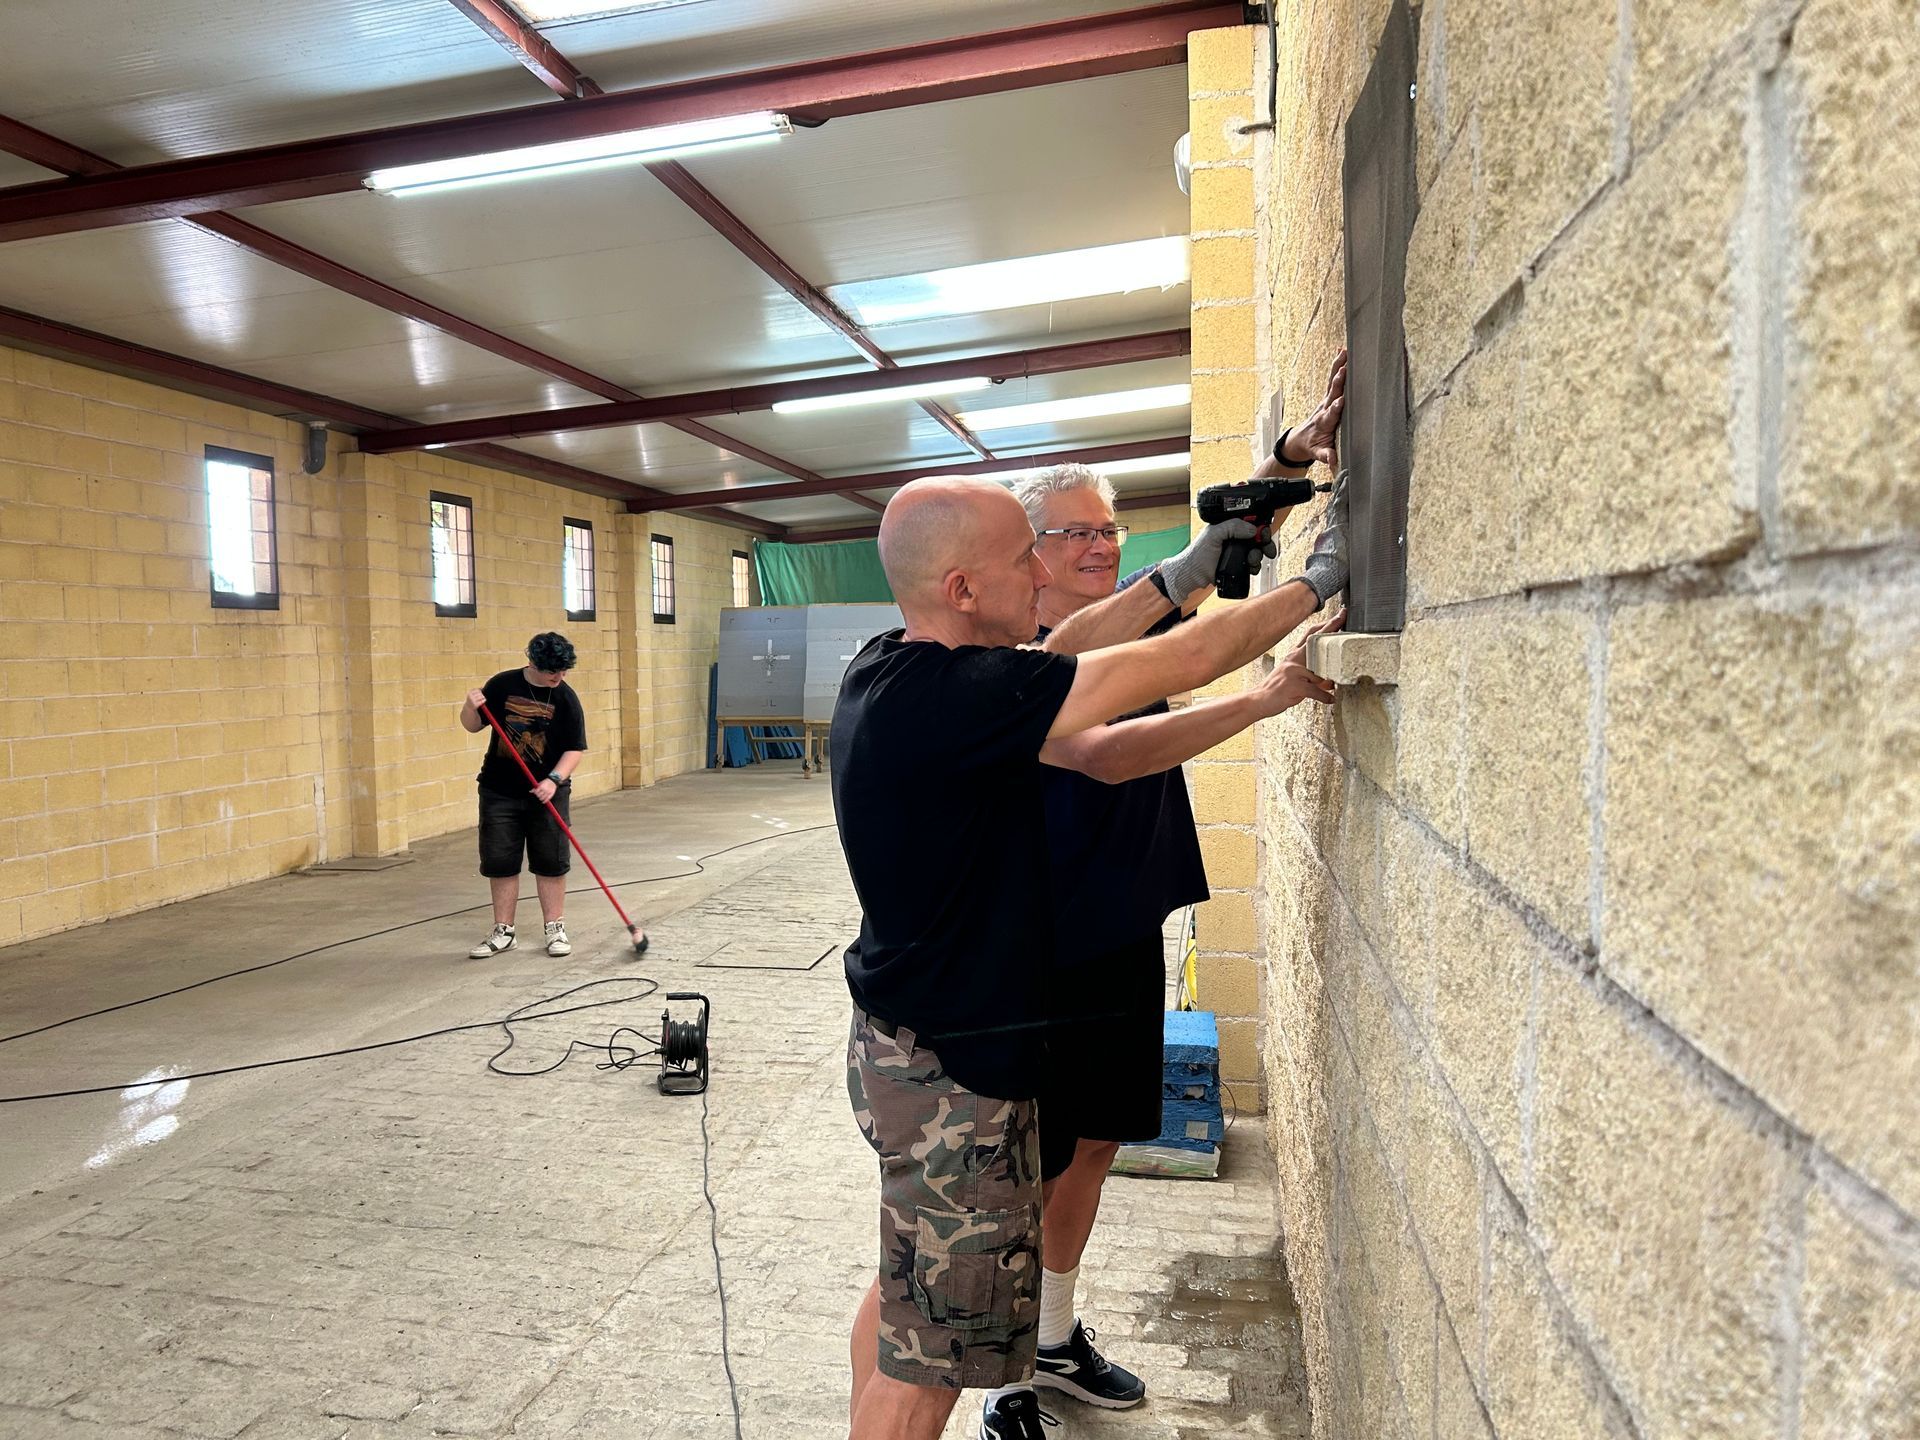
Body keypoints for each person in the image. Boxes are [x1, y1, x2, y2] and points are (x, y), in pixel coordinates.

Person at [833, 466, 1348, 1440]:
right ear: (962, 589)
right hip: (959, 1076)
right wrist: (1321, 576)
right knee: (931, 1367)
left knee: (913, 1312)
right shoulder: (963, 701)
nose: (1042, 572)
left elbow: (1070, 663)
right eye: (1022, 558)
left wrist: (1184, 573)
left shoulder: (894, 667)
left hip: (905, 1044)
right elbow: (1178, 660)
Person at [981, 352, 1348, 1434]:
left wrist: (1291, 455)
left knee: (1097, 1141)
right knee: (1032, 1159)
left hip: (1122, 919)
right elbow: (1111, 746)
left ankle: (1052, 1336)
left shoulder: (1125, 613)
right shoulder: (1016, 655)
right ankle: (1002, 1370)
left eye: (1109, 530)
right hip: (1042, 940)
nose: (1103, 547)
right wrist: (1279, 670)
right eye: (1075, 534)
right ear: (1024, 555)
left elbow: (1214, 548)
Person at [458, 631, 589, 960]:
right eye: (552, 672)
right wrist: (470, 706)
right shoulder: (502, 685)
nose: (559, 677)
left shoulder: (566, 698)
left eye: (563, 671)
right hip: (499, 790)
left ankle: (554, 927)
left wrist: (554, 780)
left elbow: (575, 749)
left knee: (551, 861)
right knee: (500, 861)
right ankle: (504, 931)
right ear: (533, 663)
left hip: (548, 793)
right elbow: (472, 725)